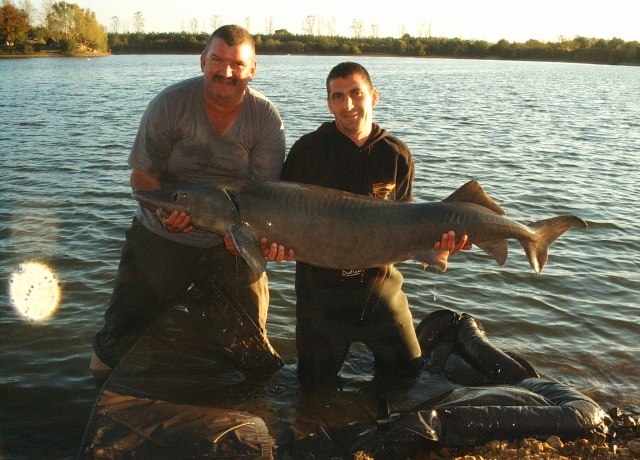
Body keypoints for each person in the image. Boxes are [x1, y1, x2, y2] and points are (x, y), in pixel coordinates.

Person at [91, 25, 289, 372]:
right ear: (203, 61)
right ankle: (93, 399)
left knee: (251, 346)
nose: (226, 72)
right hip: (163, 231)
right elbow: (142, 177)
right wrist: (163, 212)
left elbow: (264, 194)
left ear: (253, 70)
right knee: (117, 339)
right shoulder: (170, 104)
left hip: (234, 238)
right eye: (217, 60)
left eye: (237, 65)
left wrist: (250, 239)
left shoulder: (266, 119)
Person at [280, 62, 469, 387]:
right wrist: (273, 243)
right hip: (320, 294)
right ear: (329, 103)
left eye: (356, 93)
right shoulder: (306, 151)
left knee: (409, 376)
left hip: (380, 287)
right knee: (312, 389)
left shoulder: (395, 154)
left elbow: (407, 225)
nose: (348, 105)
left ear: (373, 96)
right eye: (338, 97)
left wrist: (438, 247)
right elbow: (280, 217)